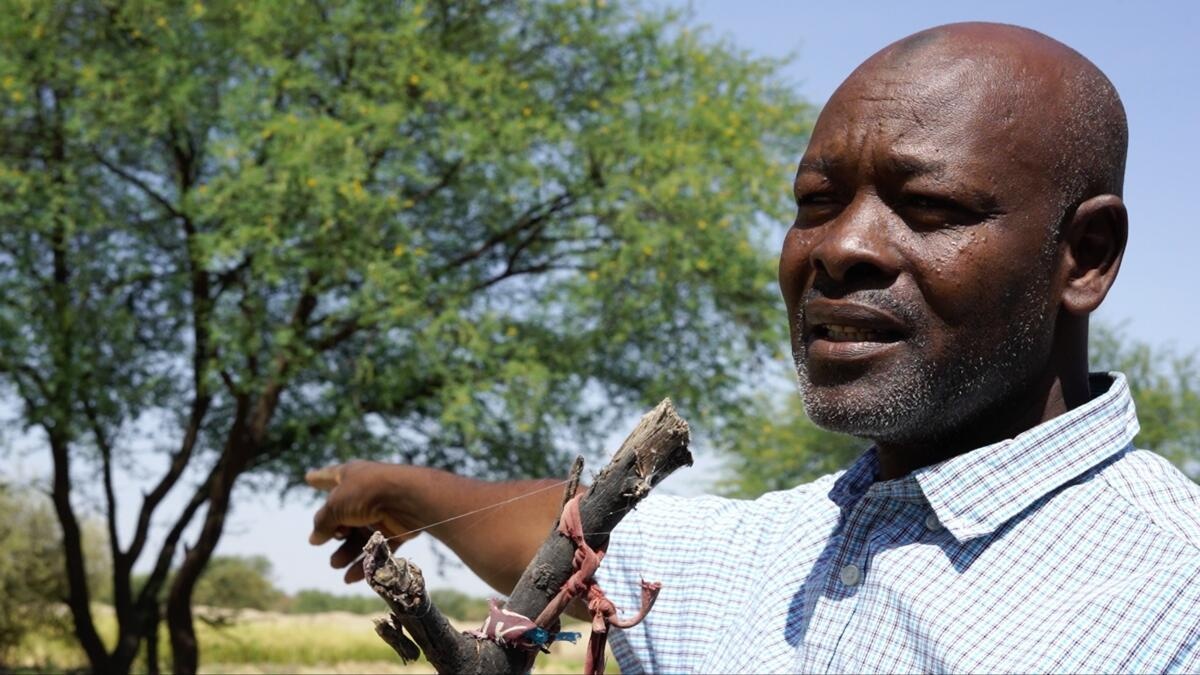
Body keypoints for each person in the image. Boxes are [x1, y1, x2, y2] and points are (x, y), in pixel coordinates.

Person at [306, 22, 1200, 673]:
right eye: (816, 202)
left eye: (928, 207)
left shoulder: (1171, 598)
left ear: (1083, 257)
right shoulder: (772, 551)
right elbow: (574, 533)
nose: (839, 248)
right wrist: (394, 490)